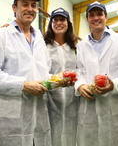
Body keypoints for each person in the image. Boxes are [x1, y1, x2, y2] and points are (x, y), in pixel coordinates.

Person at [0, 0, 51, 146]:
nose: (30, 9)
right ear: (14, 8)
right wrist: (23, 85)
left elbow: (43, 71)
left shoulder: (39, 38)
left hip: (38, 113)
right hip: (10, 116)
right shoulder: (1, 35)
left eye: (33, 5)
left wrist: (57, 81)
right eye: (25, 5)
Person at [74, 1, 118, 146]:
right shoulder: (81, 46)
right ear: (87, 20)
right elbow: (78, 71)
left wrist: (114, 85)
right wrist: (80, 85)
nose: (96, 18)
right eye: (91, 15)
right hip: (90, 108)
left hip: (116, 105)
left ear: (106, 17)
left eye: (99, 14)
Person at [44, 8, 80, 146]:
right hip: (50, 101)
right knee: (51, 138)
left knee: (71, 137)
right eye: (55, 20)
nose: (59, 23)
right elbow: (39, 72)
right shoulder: (43, 45)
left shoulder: (76, 47)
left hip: (73, 102)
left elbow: (82, 70)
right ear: (51, 23)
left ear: (68, 23)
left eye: (62, 20)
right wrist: (56, 80)